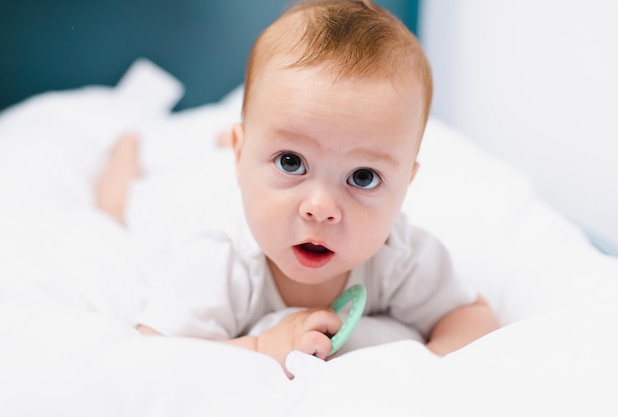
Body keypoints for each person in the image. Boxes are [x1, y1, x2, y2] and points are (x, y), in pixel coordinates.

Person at [97, 0, 499, 377]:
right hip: (183, 203)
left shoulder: (402, 256)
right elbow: (153, 357)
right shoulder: (219, 260)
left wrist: (426, 368)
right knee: (121, 205)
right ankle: (128, 150)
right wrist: (259, 349)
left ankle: (262, 147)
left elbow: (471, 317)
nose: (321, 208)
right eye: (292, 162)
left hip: (247, 162)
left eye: (363, 177)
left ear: (406, 185)